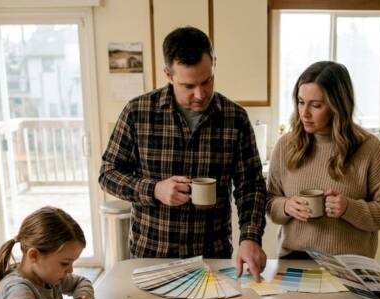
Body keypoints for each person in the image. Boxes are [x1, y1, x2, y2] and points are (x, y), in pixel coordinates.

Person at [99, 26, 267, 280]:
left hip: (213, 257)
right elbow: (108, 174)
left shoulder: (235, 118)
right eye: (188, 85)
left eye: (207, 80)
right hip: (152, 256)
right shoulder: (138, 112)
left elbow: (251, 186)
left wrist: (250, 237)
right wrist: (154, 189)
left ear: (214, 66)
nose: (200, 94)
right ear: (168, 74)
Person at [266, 61, 380, 259]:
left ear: (338, 106)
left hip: (350, 265)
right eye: (301, 102)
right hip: (294, 259)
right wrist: (285, 206)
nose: (304, 113)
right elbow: (269, 201)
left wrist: (349, 208)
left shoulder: (370, 148)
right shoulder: (285, 145)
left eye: (316, 105)